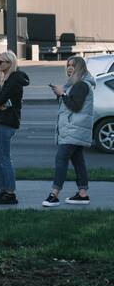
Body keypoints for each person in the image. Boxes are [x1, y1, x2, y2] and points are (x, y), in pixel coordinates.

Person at [45, 56, 94, 207]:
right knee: (78, 161)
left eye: (73, 65)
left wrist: (62, 94)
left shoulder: (81, 85)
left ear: (80, 68)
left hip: (74, 129)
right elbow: (69, 104)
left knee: (61, 159)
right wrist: (60, 94)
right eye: (67, 65)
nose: (69, 68)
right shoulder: (75, 85)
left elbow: (75, 106)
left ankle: (54, 194)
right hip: (73, 130)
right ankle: (83, 194)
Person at [0, 50, 29, 205]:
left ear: (10, 63)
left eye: (1, 62)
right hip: (1, 121)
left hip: (6, 122)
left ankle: (9, 192)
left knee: (4, 157)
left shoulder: (13, 80)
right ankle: (3, 189)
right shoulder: (9, 79)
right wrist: (0, 102)